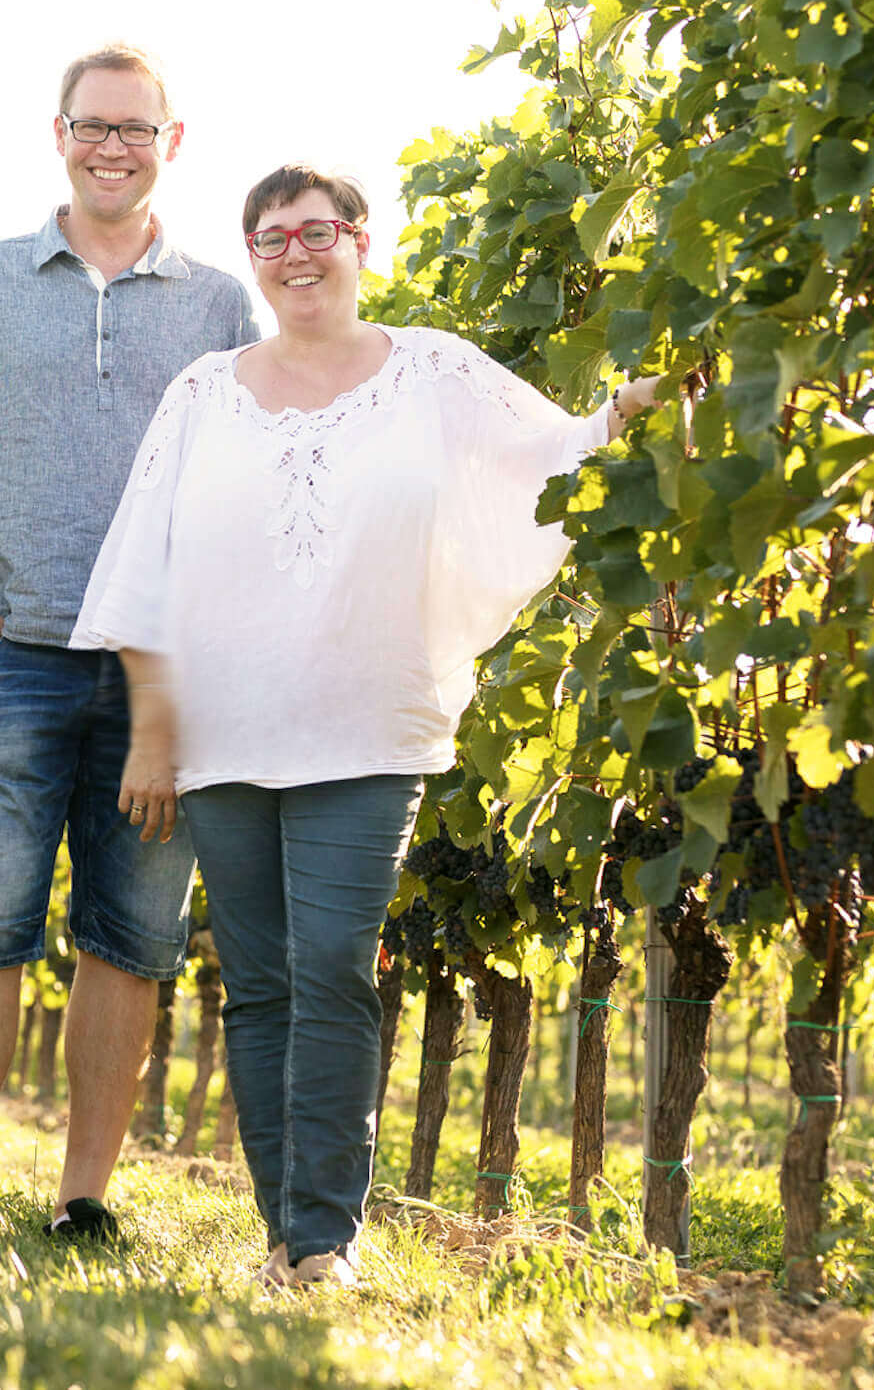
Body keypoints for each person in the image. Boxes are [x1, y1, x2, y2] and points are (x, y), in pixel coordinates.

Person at [69, 163, 667, 1286]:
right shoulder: (204, 389)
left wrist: (626, 411)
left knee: (335, 964)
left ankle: (324, 1238)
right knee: (258, 983)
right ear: (252, 257)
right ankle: (282, 1233)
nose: (296, 253)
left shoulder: (431, 369)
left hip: (368, 722)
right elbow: (140, 565)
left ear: (357, 241)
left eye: (317, 231)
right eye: (271, 237)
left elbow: (550, 450)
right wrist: (153, 730)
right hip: (223, 734)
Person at [0, 44, 258, 1242]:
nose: (113, 146)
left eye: (136, 129)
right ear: (58, 134)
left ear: (172, 142)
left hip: (160, 675)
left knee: (132, 940)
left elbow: (241, 473)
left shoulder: (215, 303)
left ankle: (84, 1197)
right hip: (15, 659)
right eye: (93, 126)